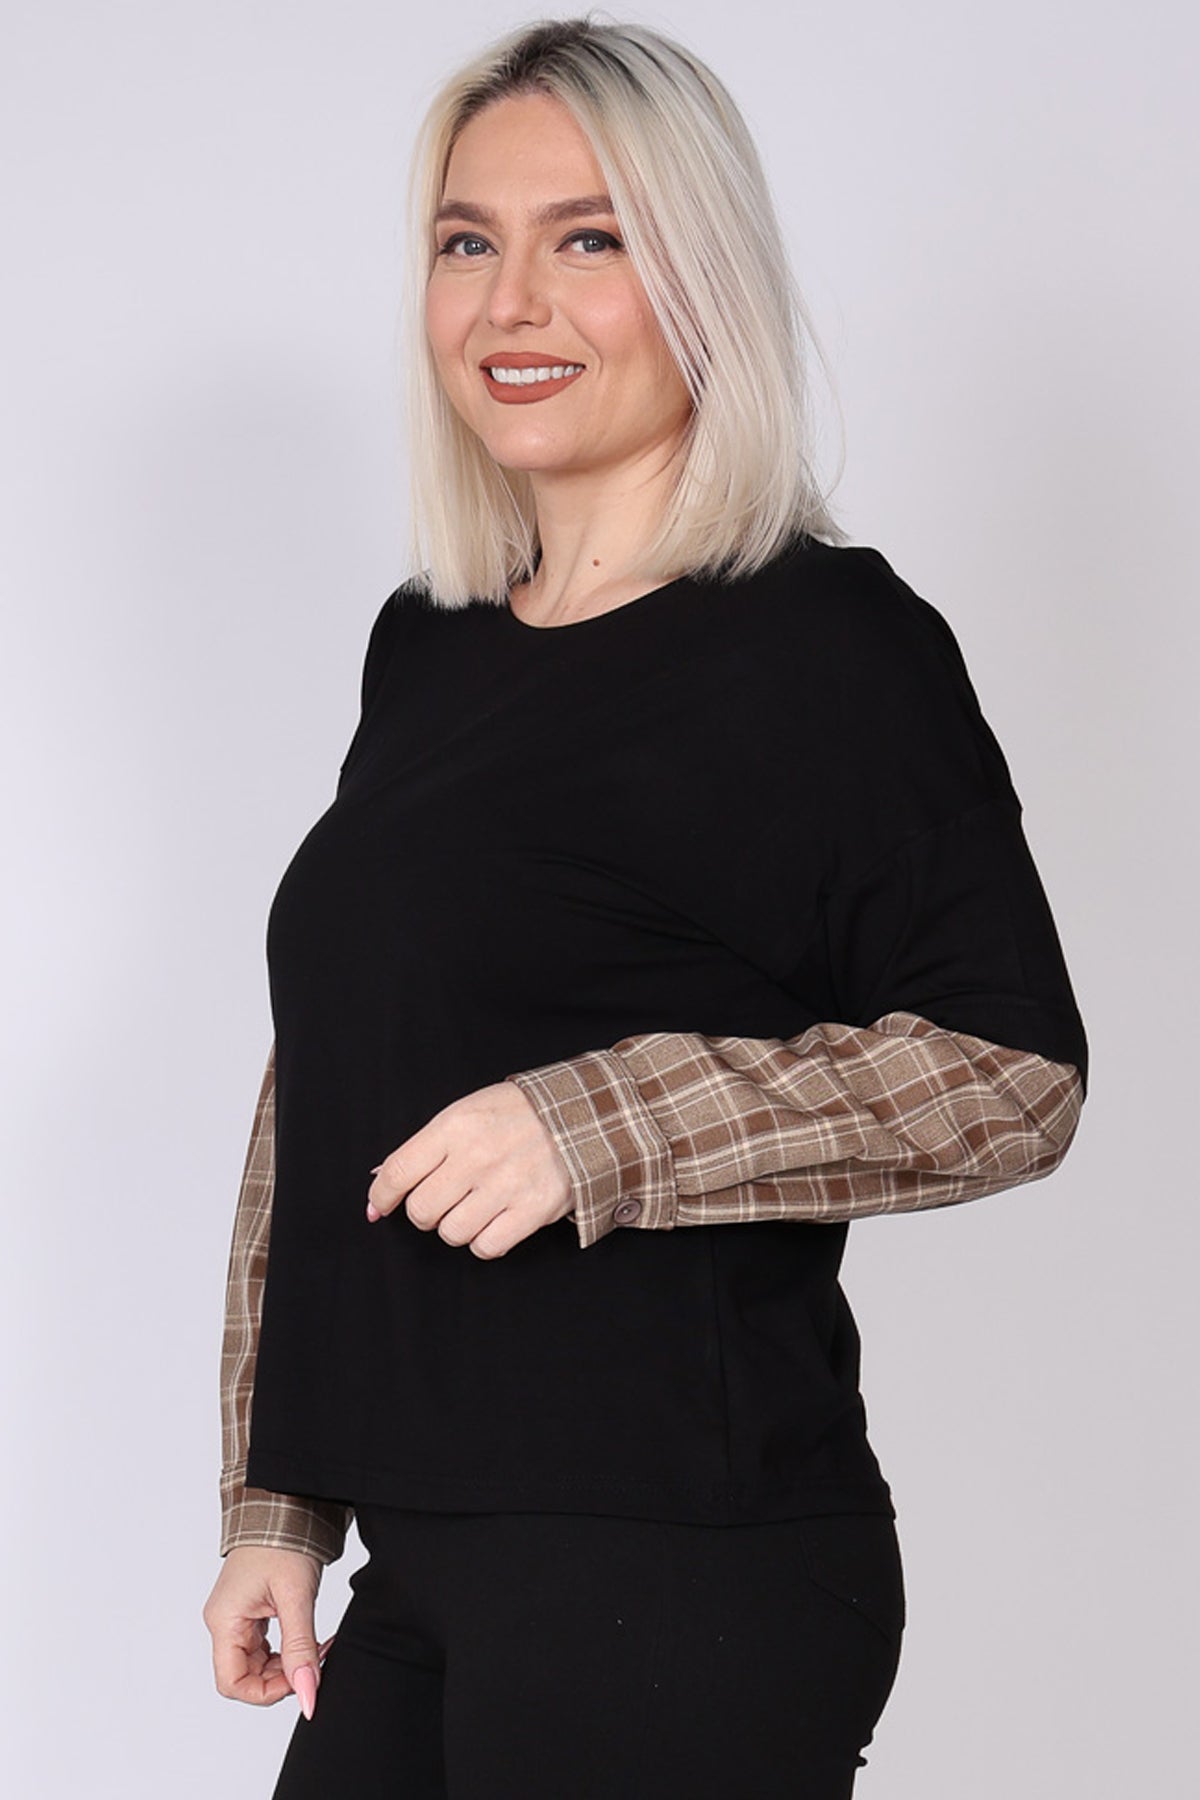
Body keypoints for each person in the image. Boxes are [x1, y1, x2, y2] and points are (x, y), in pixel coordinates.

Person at [202, 18, 1087, 1799]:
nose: (511, 303)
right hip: (421, 1557)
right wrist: (276, 1499)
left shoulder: (836, 650)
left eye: (587, 238)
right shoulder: (428, 648)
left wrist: (601, 1124)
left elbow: (1012, 1075)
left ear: (703, 278)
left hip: (686, 1557)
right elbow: (335, 1079)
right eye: (468, 242)